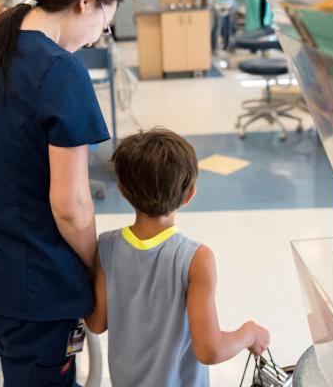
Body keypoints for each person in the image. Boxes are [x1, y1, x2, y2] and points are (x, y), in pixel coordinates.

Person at [0, 0, 122, 386]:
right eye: (105, 25)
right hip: (33, 288)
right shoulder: (60, 71)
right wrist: (96, 269)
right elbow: (71, 206)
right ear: (87, 0)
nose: (99, 38)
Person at [85, 128, 271, 386]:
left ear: (123, 191)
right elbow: (210, 350)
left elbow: (95, 324)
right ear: (190, 194)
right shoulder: (195, 259)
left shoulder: (106, 246)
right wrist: (249, 333)